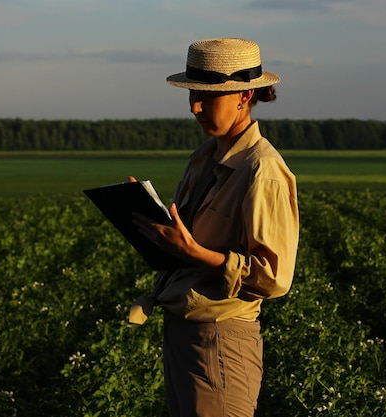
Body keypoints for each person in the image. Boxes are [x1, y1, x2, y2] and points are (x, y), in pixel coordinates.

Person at [129, 38, 299, 417]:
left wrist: (195, 253)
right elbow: (188, 238)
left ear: (244, 95)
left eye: (208, 97)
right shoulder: (205, 156)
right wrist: (145, 215)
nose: (194, 107)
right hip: (184, 334)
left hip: (220, 341)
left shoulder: (263, 169)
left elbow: (274, 278)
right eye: (192, 93)